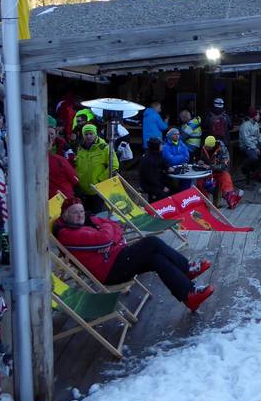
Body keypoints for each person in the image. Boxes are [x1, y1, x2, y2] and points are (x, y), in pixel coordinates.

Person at [53, 197, 214, 312]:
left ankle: (188, 295)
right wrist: (108, 235)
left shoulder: (85, 222)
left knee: (156, 259)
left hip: (116, 257)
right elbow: (105, 237)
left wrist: (109, 238)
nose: (81, 215)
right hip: (110, 270)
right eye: (75, 212)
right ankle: (187, 268)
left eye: (81, 211)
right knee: (151, 242)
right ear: (65, 215)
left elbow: (115, 227)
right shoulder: (68, 234)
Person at [75, 123, 118, 212]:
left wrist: (100, 179)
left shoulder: (105, 148)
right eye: (86, 134)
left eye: (91, 133)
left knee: (97, 214)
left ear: (96, 134)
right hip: (82, 188)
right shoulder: (80, 148)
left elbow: (114, 165)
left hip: (97, 190)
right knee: (84, 214)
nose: (88, 136)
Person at [198, 136, 242, 209]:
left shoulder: (222, 150)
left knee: (226, 177)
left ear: (213, 146)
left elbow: (224, 165)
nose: (206, 148)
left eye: (208, 147)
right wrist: (200, 161)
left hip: (217, 171)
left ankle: (230, 198)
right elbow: (200, 158)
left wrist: (210, 167)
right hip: (206, 172)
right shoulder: (204, 148)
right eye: (205, 146)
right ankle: (206, 202)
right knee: (199, 182)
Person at [47, 124, 78, 199]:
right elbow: (74, 179)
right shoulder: (58, 160)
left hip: (60, 193)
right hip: (60, 195)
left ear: (56, 134)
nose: (49, 136)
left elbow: (71, 159)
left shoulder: (63, 144)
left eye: (51, 134)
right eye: (47, 134)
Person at [238, 108, 261, 182]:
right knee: (254, 157)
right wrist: (254, 148)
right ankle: (244, 166)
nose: (259, 116)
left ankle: (259, 171)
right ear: (253, 116)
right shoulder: (245, 125)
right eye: (258, 115)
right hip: (246, 146)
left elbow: (259, 136)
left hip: (254, 144)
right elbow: (246, 140)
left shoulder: (256, 124)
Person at [138, 137, 169, 203]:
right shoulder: (147, 158)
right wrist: (162, 187)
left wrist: (168, 168)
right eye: (161, 144)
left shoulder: (157, 153)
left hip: (156, 181)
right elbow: (150, 178)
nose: (162, 146)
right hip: (148, 184)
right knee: (163, 194)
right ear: (156, 146)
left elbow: (163, 163)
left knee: (173, 186)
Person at [161, 127, 191, 193]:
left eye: (178, 134)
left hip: (182, 169)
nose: (177, 136)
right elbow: (171, 161)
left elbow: (187, 157)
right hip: (171, 171)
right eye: (175, 134)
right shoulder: (165, 146)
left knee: (188, 179)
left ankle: (184, 196)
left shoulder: (181, 144)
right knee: (174, 184)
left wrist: (175, 157)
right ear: (170, 135)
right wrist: (182, 156)